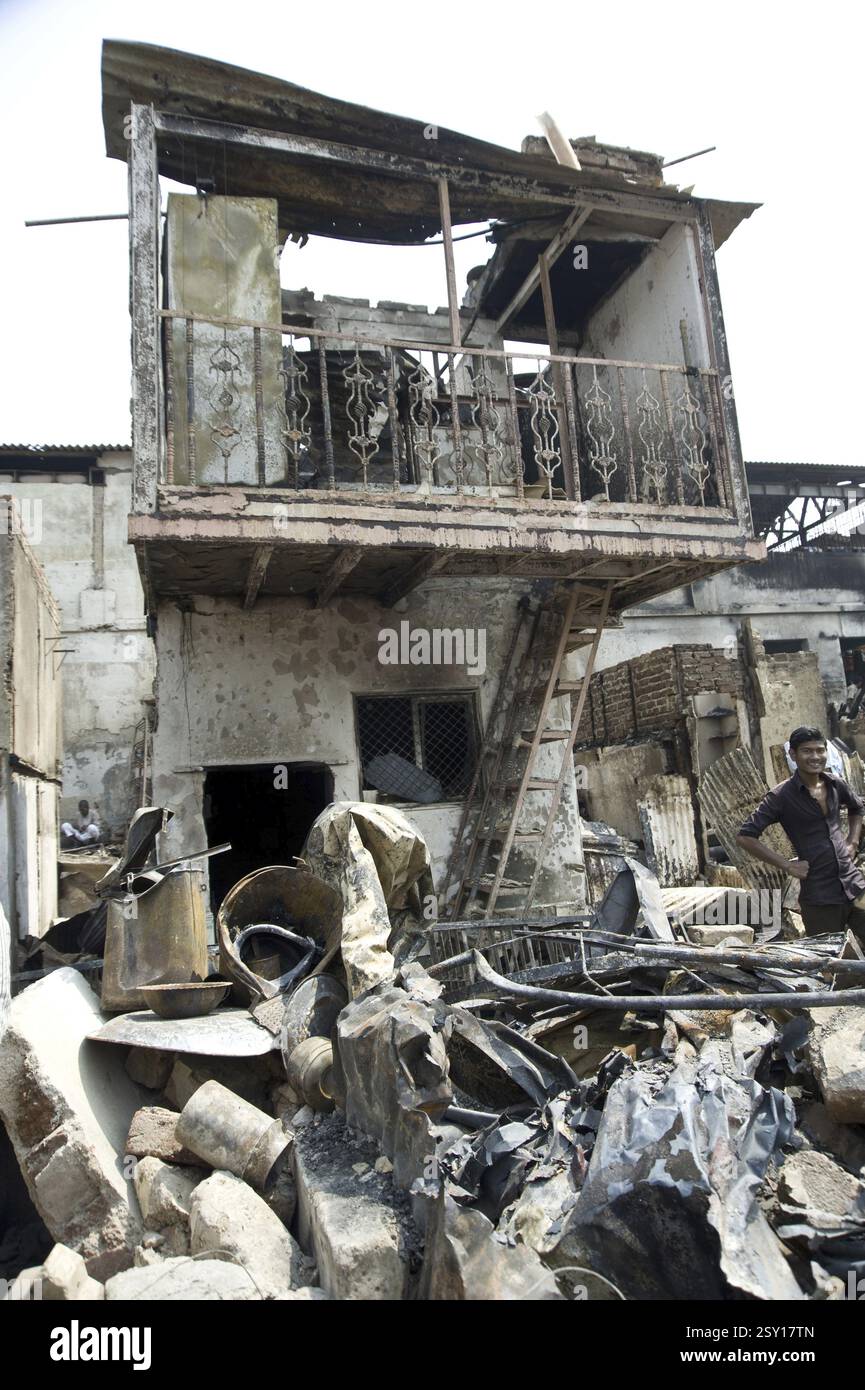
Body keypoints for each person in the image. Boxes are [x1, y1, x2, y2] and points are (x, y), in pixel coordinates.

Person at [736, 726, 865, 944]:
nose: (815, 757)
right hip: (819, 896)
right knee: (827, 961)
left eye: (820, 750)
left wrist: (852, 841)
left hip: (854, 886)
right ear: (793, 755)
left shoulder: (836, 784)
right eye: (807, 751)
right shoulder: (781, 796)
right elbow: (745, 836)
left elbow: (857, 807)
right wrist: (787, 866)